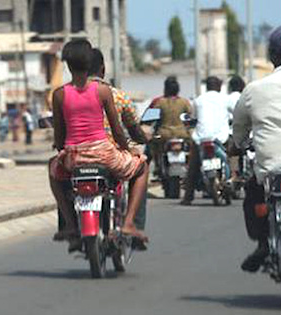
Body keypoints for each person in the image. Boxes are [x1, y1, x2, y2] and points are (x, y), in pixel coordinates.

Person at [49, 40, 148, 251]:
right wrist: (128, 149)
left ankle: (69, 224)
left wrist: (61, 148)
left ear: (67, 65)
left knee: (53, 172)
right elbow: (117, 129)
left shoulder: (59, 94)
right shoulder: (103, 91)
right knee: (142, 167)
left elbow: (59, 133)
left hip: (74, 156)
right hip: (104, 154)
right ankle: (129, 222)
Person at [233, 26, 281, 272]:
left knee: (253, 193)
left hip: (270, 170)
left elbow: (239, 131)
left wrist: (239, 144)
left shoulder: (254, 90)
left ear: (271, 56)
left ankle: (263, 243)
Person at [181, 76, 230, 205]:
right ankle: (233, 179)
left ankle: (188, 197)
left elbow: (193, 118)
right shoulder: (225, 99)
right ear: (219, 87)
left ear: (207, 87)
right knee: (233, 156)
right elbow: (234, 113)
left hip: (202, 139)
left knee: (193, 164)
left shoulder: (198, 100)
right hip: (221, 138)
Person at [148, 76, 192, 177]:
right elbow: (190, 116)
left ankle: (158, 165)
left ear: (166, 89)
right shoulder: (184, 102)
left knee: (153, 145)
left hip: (164, 134)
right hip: (182, 134)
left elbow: (149, 119)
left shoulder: (160, 102)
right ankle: (190, 165)